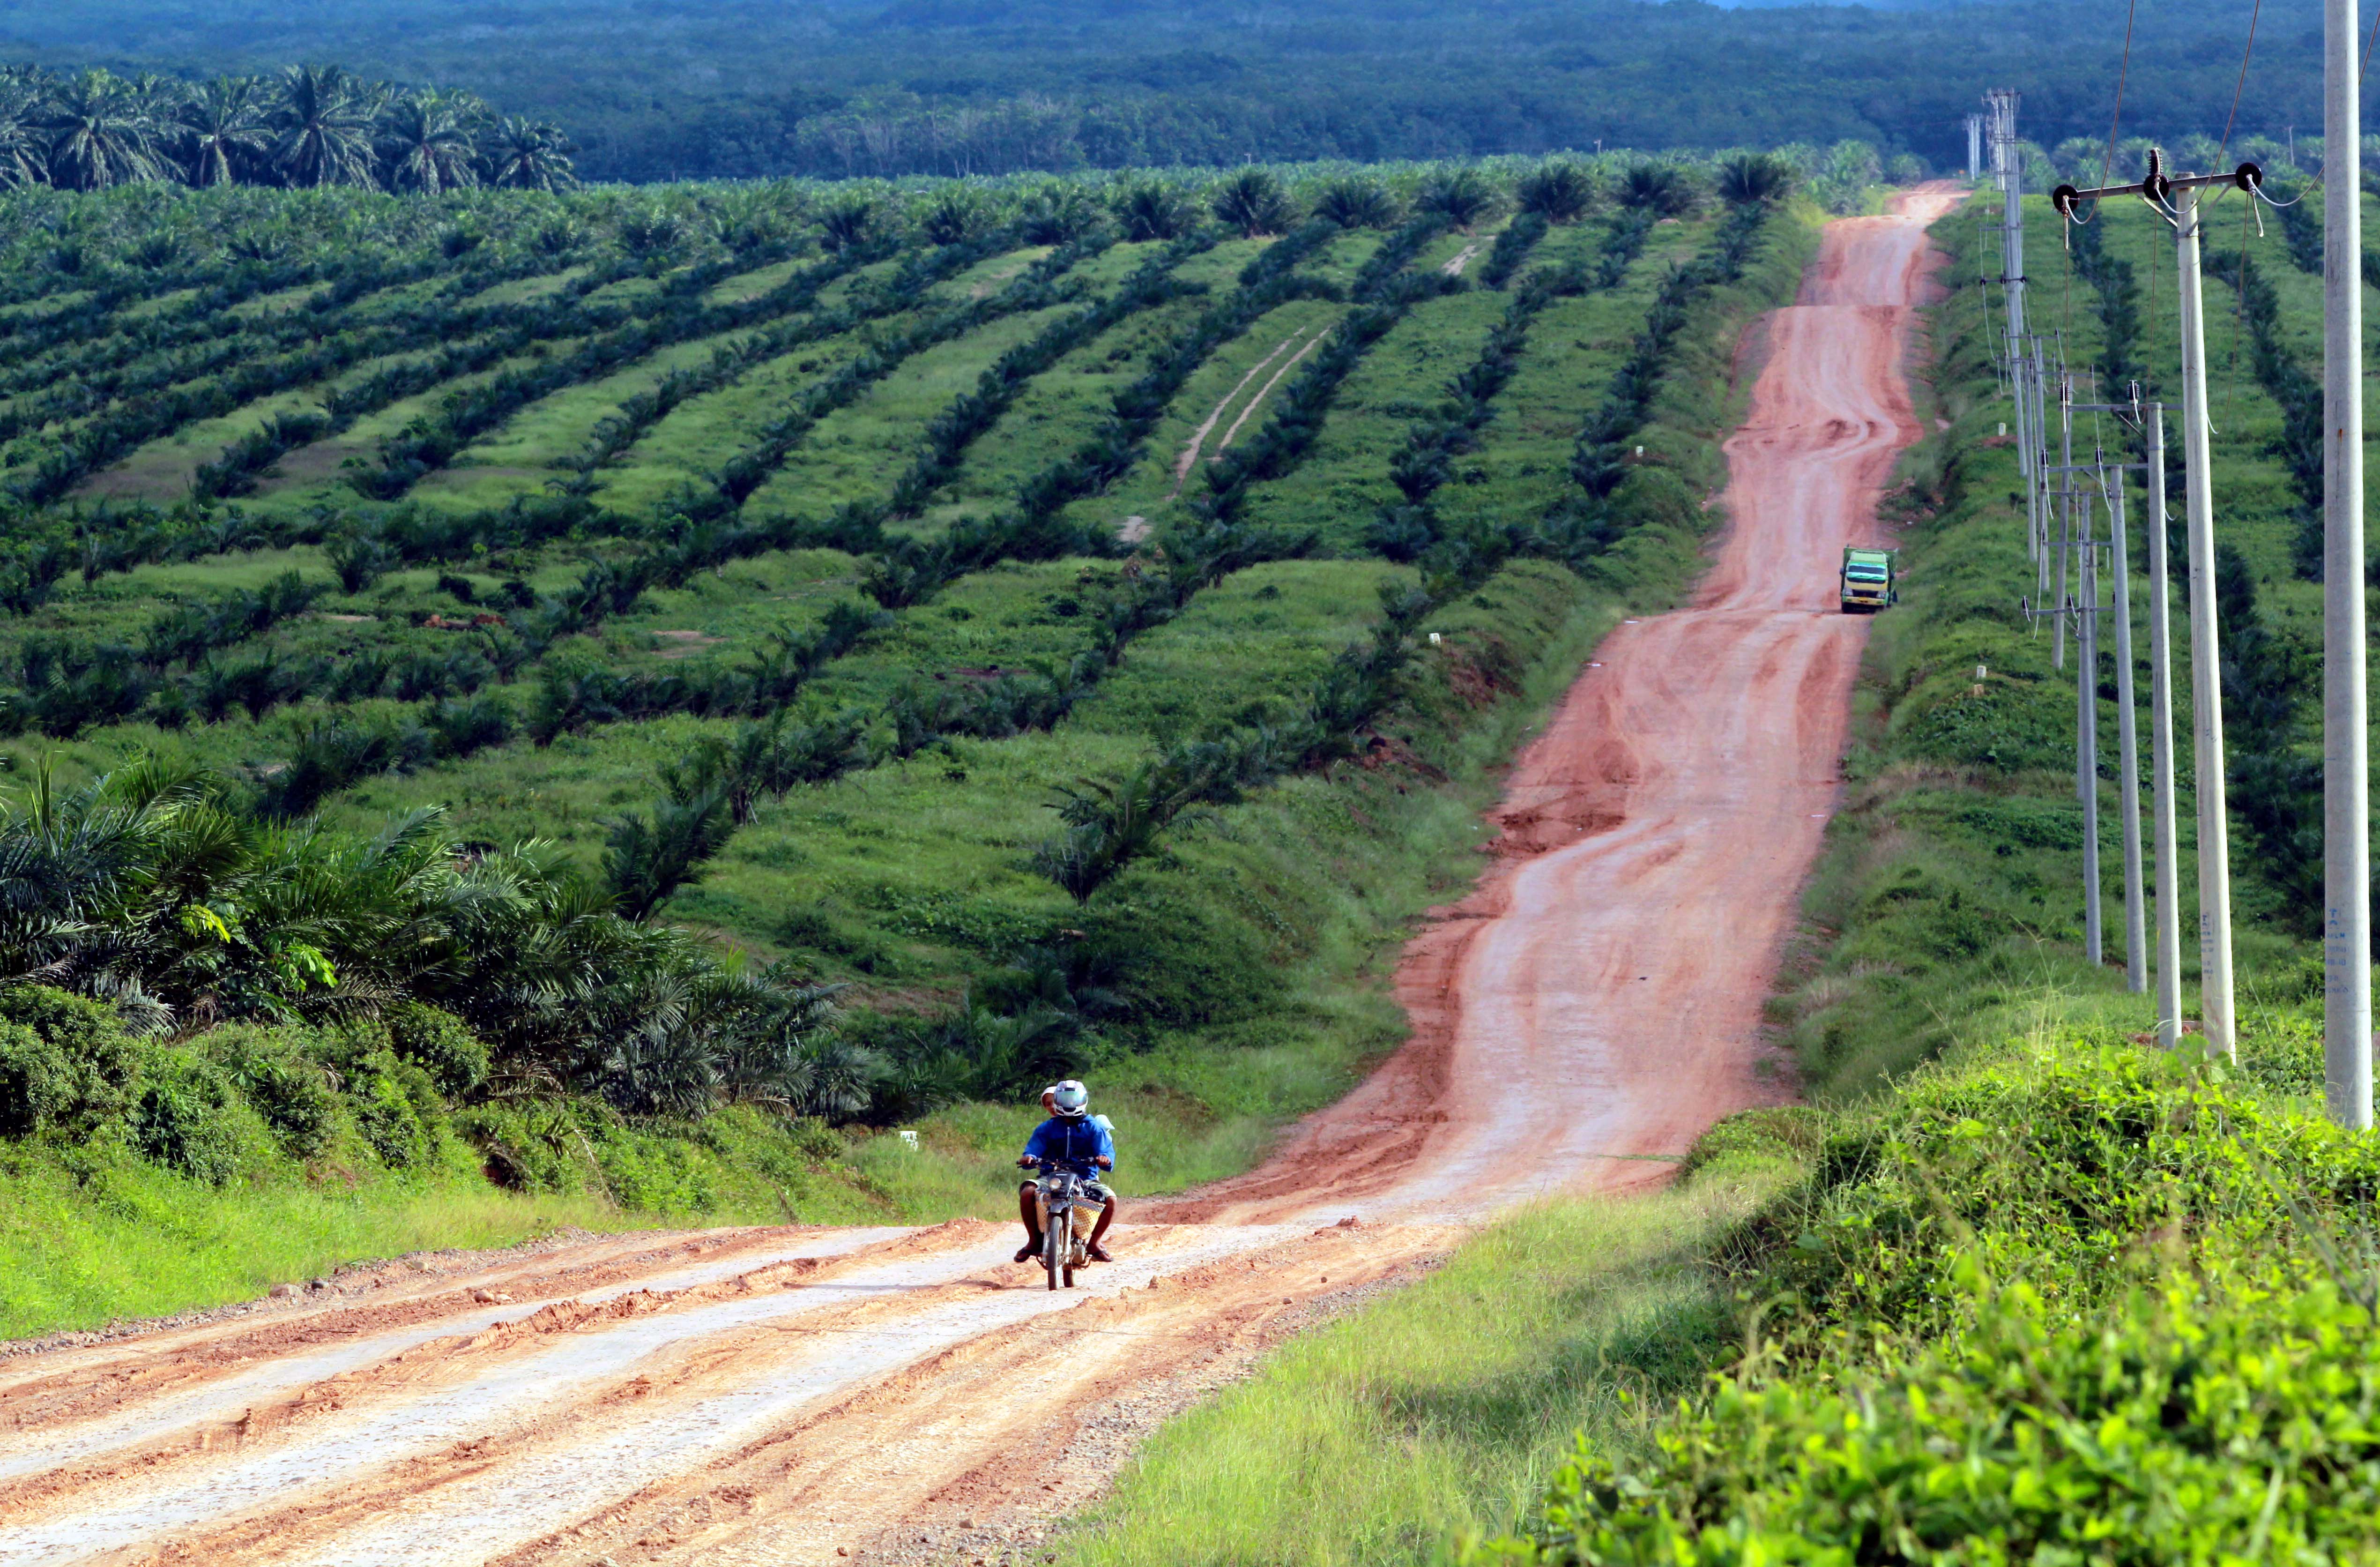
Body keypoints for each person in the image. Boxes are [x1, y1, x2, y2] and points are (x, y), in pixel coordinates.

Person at [1016, 1079, 1116, 1264]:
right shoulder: (1047, 1128)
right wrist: (1029, 1157)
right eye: (1066, 1099)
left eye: (1074, 1099)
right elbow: (1033, 1149)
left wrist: (1104, 1157)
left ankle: (1094, 1243)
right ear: (1058, 1101)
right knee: (1028, 1191)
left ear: (1082, 1100)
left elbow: (1106, 1151)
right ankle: (1034, 1241)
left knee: (1110, 1199)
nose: (1070, 1104)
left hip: (1085, 1178)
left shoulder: (1093, 1127)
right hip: (1050, 1176)